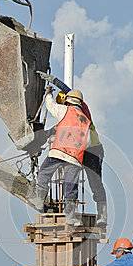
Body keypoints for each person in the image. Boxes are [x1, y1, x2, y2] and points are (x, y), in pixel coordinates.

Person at [37, 71, 107, 226]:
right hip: (78, 150)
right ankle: (73, 213)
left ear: (67, 102)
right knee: (72, 180)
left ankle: (102, 215)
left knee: (95, 183)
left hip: (92, 151)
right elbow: (56, 129)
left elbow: (68, 91)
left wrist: (54, 81)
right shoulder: (70, 117)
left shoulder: (83, 111)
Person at [30, 86, 91, 226]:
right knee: (71, 187)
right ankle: (70, 217)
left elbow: (51, 106)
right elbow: (87, 142)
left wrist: (48, 94)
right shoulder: (86, 121)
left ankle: (39, 201)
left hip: (59, 151)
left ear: (68, 101)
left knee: (44, 174)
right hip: (75, 157)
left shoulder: (65, 110)